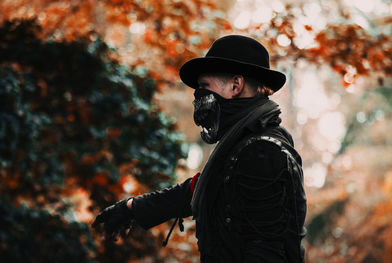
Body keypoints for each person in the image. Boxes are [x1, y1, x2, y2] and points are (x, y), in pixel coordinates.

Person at [92, 35, 307, 263]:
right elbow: (199, 189)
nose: (198, 95)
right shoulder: (241, 144)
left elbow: (266, 251)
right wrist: (131, 208)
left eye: (205, 86)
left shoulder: (261, 151)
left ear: (236, 85)